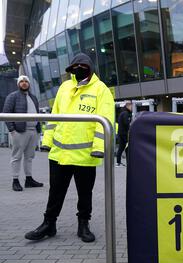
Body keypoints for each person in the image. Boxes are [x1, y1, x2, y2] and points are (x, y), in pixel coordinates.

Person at [24, 53, 115, 243]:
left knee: (85, 193)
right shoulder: (65, 87)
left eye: (82, 66)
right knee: (55, 192)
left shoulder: (101, 90)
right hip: (60, 152)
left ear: (90, 68)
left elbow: (105, 120)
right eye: (74, 66)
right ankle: (49, 224)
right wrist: (47, 141)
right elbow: (54, 116)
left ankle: (83, 225)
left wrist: (100, 147)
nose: (78, 69)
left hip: (85, 154)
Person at [3, 75, 43, 191]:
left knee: (29, 157)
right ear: (18, 84)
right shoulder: (12, 96)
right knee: (16, 156)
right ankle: (15, 180)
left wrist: (38, 129)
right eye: (22, 81)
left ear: (29, 84)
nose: (24, 83)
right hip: (20, 132)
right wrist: (12, 130)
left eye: (26, 81)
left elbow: (37, 114)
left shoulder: (34, 97)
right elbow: (6, 114)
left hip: (33, 131)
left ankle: (29, 179)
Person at [116, 101, 132, 167]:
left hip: (120, 133)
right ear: (128, 106)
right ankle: (129, 163)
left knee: (121, 148)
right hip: (124, 134)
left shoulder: (122, 112)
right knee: (127, 148)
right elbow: (126, 123)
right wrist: (130, 125)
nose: (132, 108)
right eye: (131, 106)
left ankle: (118, 163)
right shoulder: (126, 113)